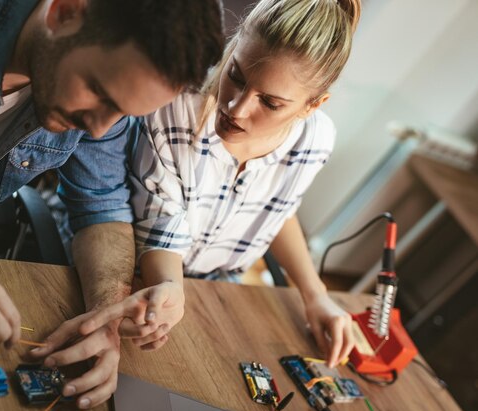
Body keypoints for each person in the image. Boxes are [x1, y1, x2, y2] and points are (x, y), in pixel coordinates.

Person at [0, 0, 224, 409]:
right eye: (98, 91)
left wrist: (105, 317)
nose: (99, 127)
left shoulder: (104, 88)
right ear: (64, 12)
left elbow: (101, 207)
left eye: (122, 114)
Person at [80, 0, 361, 368]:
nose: (236, 107)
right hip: (133, 272)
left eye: (270, 103)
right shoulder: (177, 106)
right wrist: (170, 288)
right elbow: (163, 221)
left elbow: (278, 211)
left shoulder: (317, 139)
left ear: (312, 106)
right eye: (236, 75)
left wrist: (315, 295)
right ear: (233, 45)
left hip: (216, 287)